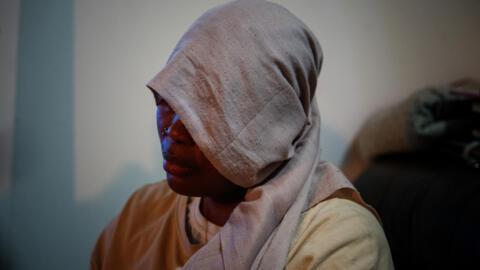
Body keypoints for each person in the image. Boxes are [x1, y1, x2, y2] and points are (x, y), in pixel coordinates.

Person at [90, 1, 394, 269]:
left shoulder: (339, 242)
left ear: (273, 129)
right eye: (170, 99)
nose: (174, 131)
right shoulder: (139, 215)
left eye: (207, 115)